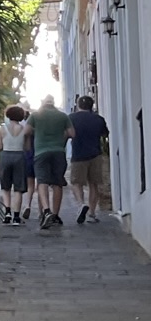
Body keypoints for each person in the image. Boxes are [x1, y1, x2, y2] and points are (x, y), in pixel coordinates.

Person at [26, 94, 71, 229]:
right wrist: (60, 139)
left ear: (43, 103)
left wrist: (38, 131)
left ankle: (46, 210)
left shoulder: (35, 115)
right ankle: (56, 215)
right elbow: (71, 133)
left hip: (41, 152)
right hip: (59, 151)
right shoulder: (63, 116)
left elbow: (26, 131)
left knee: (42, 182)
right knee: (57, 182)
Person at [67, 93, 112, 224]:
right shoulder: (98, 119)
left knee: (76, 183)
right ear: (91, 106)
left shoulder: (71, 118)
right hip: (95, 154)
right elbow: (105, 134)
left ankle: (81, 204)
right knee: (94, 184)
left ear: (78, 105)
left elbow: (67, 134)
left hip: (78, 154)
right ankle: (92, 213)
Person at [0, 105, 30, 225]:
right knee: (18, 188)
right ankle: (16, 216)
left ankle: (7, 213)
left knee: (6, 187)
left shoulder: (2, 128)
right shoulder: (25, 129)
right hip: (19, 157)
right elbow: (27, 147)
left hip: (5, 156)